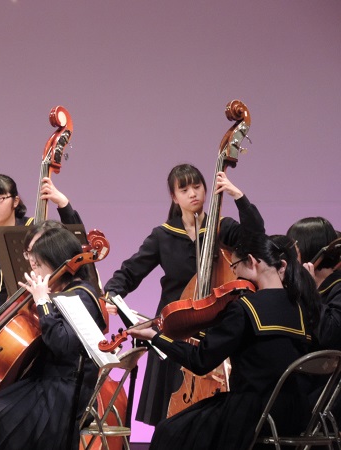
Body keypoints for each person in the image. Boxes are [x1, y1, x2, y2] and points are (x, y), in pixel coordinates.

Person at [103, 163, 265, 425]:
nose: (193, 193)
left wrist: (238, 196)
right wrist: (112, 293)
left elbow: (256, 236)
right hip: (173, 328)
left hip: (214, 330)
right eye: (184, 189)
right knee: (166, 415)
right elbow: (131, 271)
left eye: (197, 186)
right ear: (174, 197)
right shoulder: (163, 235)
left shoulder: (221, 228)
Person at [128, 233, 320, 449]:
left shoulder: (246, 307)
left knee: (168, 430)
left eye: (235, 266)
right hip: (295, 414)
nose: (234, 274)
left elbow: (200, 361)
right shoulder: (302, 308)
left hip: (252, 415)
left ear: (252, 261)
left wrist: (155, 337)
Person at [0, 225, 106, 450]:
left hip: (61, 393)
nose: (33, 270)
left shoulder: (82, 295)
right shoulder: (59, 291)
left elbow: (61, 344)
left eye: (37, 264)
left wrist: (42, 301)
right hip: (41, 384)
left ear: (56, 262)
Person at [0, 174, 82, 318]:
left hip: (43, 311)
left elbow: (75, 245)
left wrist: (63, 204)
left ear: (15, 201)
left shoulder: (36, 229)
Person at [287, 217, 341, 350]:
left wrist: (309, 289)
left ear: (307, 249)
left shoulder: (338, 286)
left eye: (293, 250)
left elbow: (329, 335)